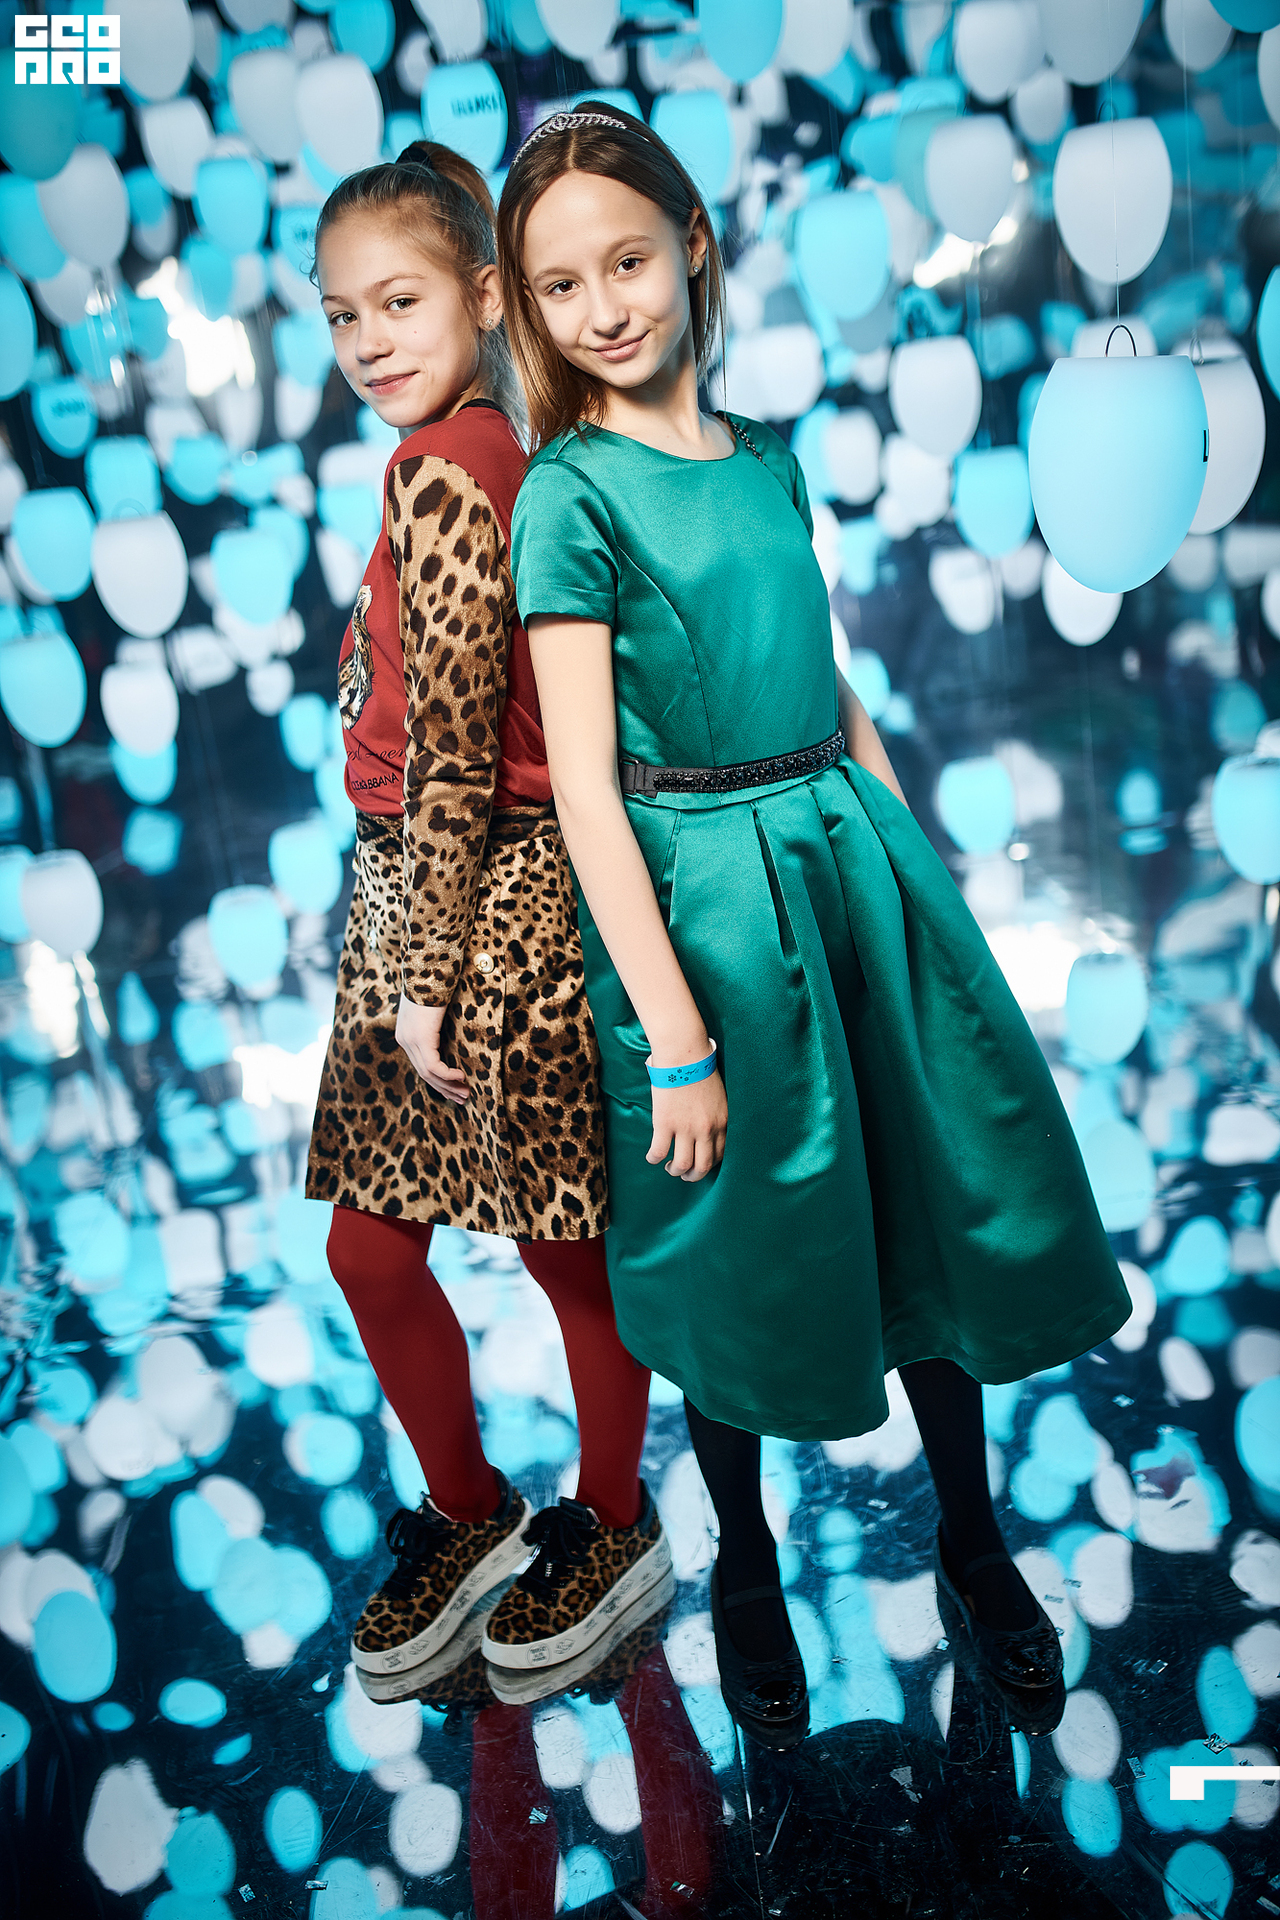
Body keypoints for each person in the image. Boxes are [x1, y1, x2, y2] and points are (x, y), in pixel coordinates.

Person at [495, 106, 1132, 1745]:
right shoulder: (569, 497)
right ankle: (748, 1566)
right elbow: (587, 794)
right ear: (534, 310)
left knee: (921, 1208)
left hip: (845, 864)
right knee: (744, 1249)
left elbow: (826, 681)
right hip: (704, 913)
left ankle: (974, 1542)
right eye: (561, 287)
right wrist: (675, 1036)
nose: (603, 307)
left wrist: (907, 860)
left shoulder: (767, 457)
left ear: (694, 246)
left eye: (627, 262)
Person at [305, 140, 669, 1682]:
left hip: (477, 903)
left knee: (554, 1245)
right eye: (340, 315)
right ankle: (473, 1511)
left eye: (398, 302)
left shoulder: (447, 469)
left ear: (479, 296)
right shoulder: (482, 453)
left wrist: (425, 971)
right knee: (393, 1251)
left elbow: (456, 744)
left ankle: (612, 1519)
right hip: (436, 892)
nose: (368, 339)